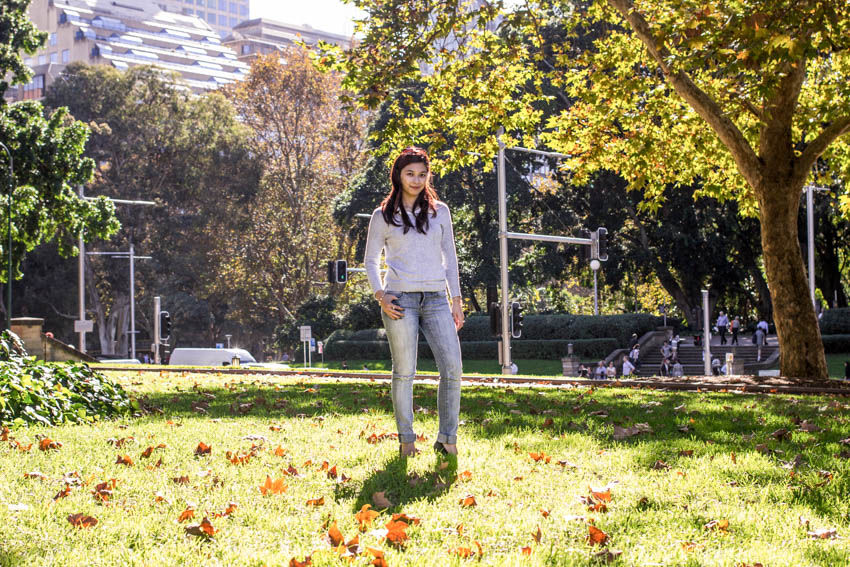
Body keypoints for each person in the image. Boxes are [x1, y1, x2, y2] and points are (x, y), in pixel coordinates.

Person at [364, 146, 463, 458]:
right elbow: (370, 261)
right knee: (405, 371)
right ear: (398, 175)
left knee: (452, 368)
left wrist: (456, 299)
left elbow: (450, 259)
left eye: (422, 174)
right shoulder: (382, 216)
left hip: (436, 299)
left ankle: (447, 439)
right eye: (410, 174)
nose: (416, 180)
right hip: (399, 300)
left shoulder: (440, 212)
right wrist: (380, 295)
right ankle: (407, 440)